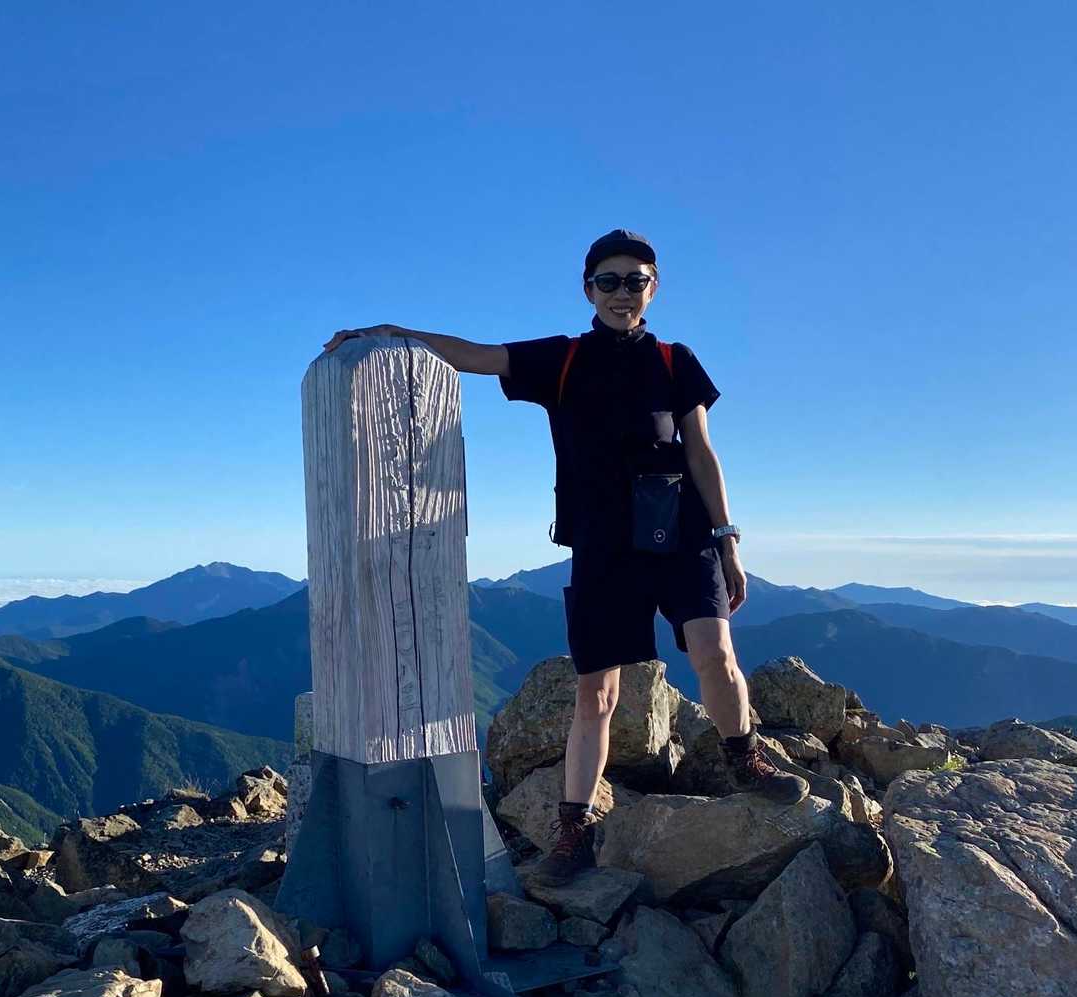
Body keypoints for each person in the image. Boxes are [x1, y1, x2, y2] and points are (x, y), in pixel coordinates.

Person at [321, 229, 808, 886]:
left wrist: (728, 541)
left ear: (653, 289)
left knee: (714, 652)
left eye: (635, 281)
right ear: (588, 290)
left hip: (684, 533)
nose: (621, 293)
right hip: (603, 545)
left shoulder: (675, 360)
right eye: (608, 281)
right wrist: (391, 334)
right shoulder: (564, 359)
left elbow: (701, 452)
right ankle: (574, 830)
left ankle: (744, 759)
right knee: (595, 693)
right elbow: (477, 356)